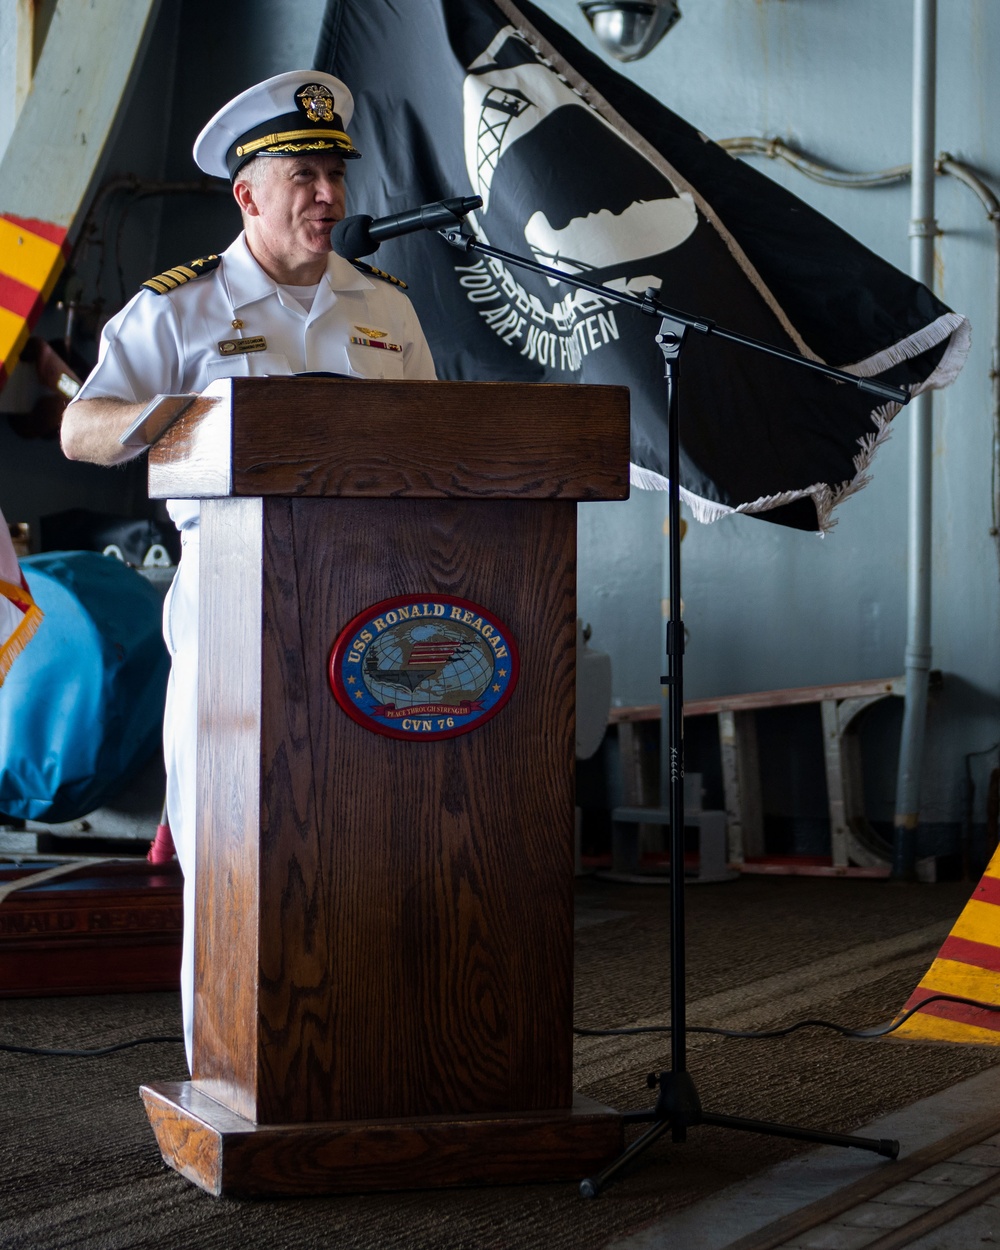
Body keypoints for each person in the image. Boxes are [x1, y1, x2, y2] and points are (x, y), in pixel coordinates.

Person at [61, 70, 437, 1068]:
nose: (328, 194)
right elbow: (80, 426)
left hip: (372, 597)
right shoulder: (181, 309)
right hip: (236, 592)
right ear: (248, 196)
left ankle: (364, 1054)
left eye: (334, 175)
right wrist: (193, 426)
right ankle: (227, 1067)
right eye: (304, 174)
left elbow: (440, 443)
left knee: (368, 833)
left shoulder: (386, 310)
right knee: (235, 838)